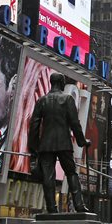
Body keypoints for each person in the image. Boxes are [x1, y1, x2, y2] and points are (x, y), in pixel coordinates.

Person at [28, 73, 90, 213]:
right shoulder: (67, 99)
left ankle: (51, 208)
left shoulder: (42, 101)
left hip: (46, 145)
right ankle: (79, 205)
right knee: (71, 173)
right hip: (64, 144)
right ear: (61, 83)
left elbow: (34, 126)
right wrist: (82, 141)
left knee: (48, 176)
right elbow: (75, 123)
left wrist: (34, 147)